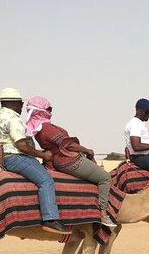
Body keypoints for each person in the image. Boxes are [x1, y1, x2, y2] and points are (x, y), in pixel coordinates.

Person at [26, 96, 116, 228]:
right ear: (41, 110)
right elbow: (67, 144)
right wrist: (87, 151)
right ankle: (103, 213)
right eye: (49, 109)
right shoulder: (47, 128)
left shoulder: (37, 129)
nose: (51, 111)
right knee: (105, 178)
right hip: (68, 159)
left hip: (57, 160)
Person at [0, 88, 69, 235]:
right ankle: (50, 219)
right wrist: (42, 155)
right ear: (13, 103)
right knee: (46, 180)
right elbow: (21, 145)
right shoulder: (13, 119)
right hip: (16, 157)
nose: (22, 106)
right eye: (20, 103)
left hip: (4, 157)